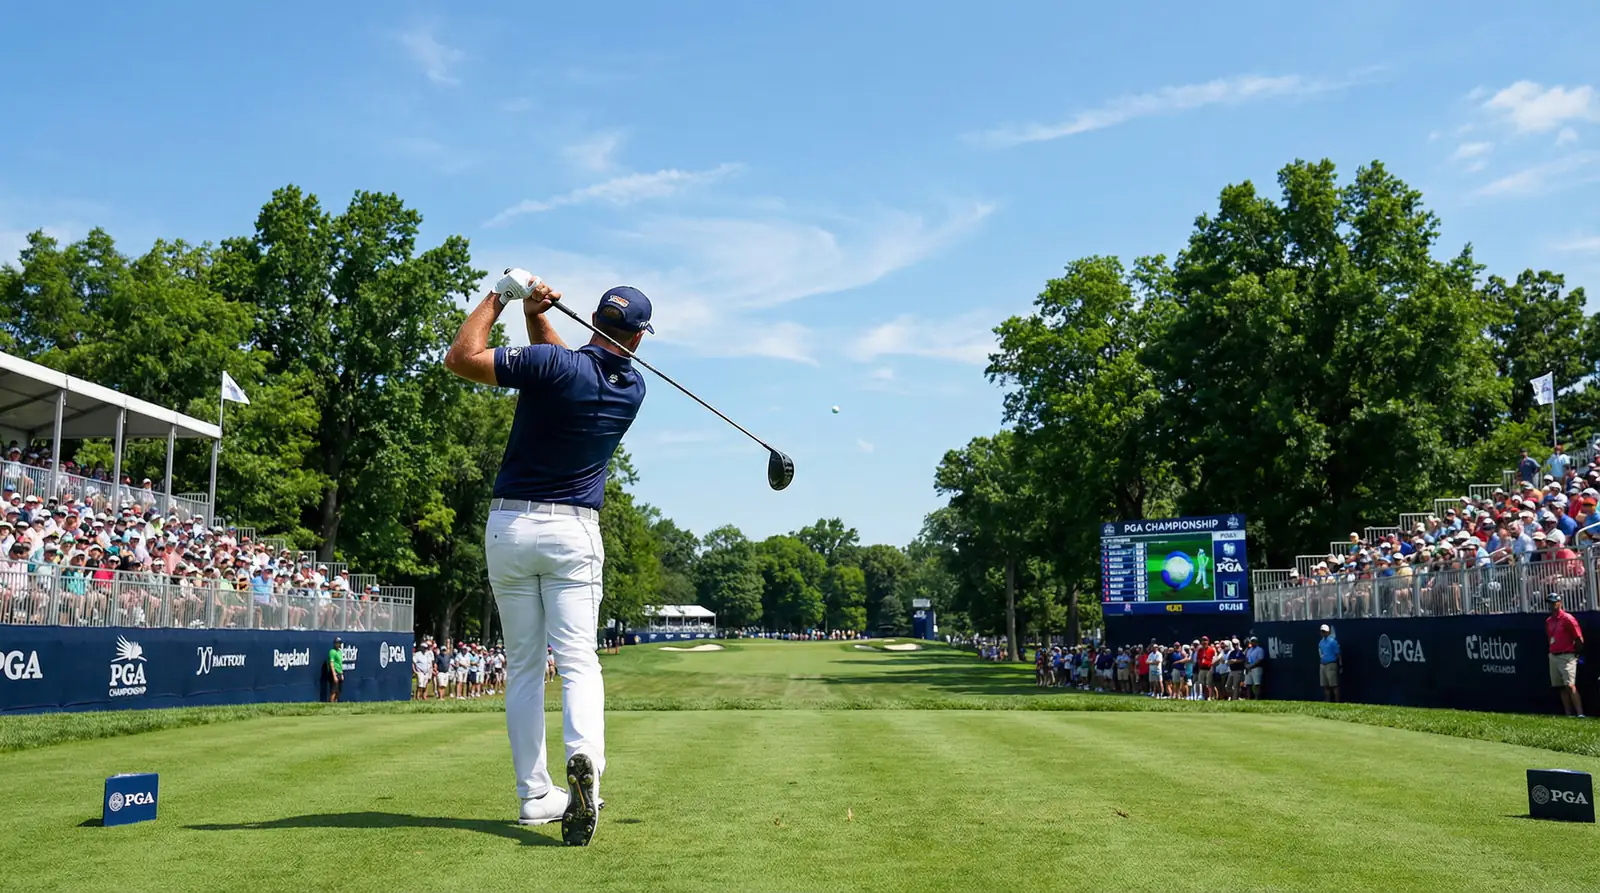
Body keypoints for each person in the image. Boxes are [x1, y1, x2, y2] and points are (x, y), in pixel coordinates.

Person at [443, 270, 651, 845]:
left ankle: (535, 796)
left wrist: (502, 296)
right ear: (637, 338)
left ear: (596, 320)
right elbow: (567, 366)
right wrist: (536, 316)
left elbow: (461, 358)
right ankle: (586, 764)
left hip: (510, 529)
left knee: (525, 668)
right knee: (579, 661)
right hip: (574, 534)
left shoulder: (554, 366)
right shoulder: (632, 389)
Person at [1546, 593, 1586, 718]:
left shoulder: (1568, 618)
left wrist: (1576, 654)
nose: (1552, 605)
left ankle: (1580, 713)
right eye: (1550, 603)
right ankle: (1568, 714)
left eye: (1554, 602)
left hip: (1567, 655)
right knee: (1561, 687)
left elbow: (1579, 638)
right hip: (1554, 655)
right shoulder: (1549, 621)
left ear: (1560, 602)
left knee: (1570, 685)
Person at [1317, 624, 1341, 702]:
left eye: (1324, 631)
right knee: (1325, 685)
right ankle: (1327, 701)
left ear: (1328, 632)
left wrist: (1340, 664)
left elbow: (1338, 654)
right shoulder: (1321, 642)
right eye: (1322, 631)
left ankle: (1337, 702)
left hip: (1331, 664)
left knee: (1334, 685)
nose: (1323, 633)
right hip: (1323, 665)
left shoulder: (1333, 642)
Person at [328, 636, 345, 703]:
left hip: (339, 673)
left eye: (339, 643)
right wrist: (334, 675)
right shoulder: (332, 652)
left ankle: (336, 703)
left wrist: (342, 674)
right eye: (337, 643)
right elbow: (331, 663)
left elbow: (340, 663)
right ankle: (331, 704)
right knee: (334, 691)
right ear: (334, 643)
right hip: (334, 673)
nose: (338, 644)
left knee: (338, 691)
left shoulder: (340, 652)